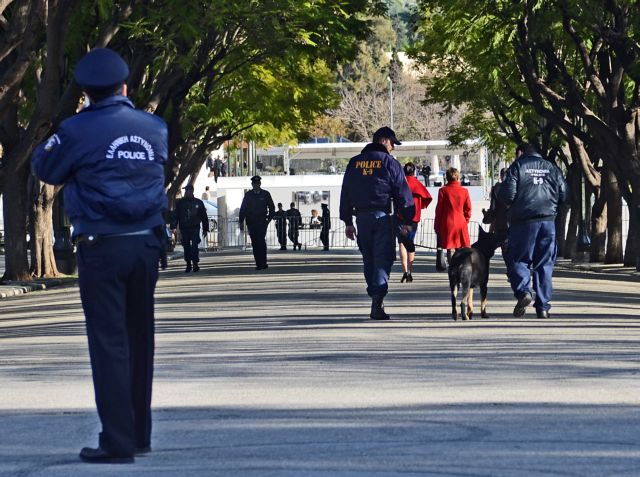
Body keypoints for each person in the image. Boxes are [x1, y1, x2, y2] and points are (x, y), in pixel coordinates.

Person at [31, 48, 168, 464]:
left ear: (86, 93)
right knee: (140, 339)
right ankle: (140, 434)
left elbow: (44, 167)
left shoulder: (77, 129)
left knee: (109, 343)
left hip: (101, 245)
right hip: (146, 243)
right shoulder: (155, 127)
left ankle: (117, 440)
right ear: (126, 86)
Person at [339, 126, 414, 320]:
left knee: (368, 259)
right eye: (392, 144)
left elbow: (345, 193)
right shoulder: (390, 163)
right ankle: (377, 300)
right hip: (383, 219)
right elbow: (402, 194)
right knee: (383, 259)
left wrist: (348, 221)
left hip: (361, 219)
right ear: (384, 141)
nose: (393, 149)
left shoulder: (354, 163)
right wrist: (407, 220)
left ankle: (374, 292)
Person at [499, 143, 568, 319]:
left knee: (518, 259)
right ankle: (543, 307)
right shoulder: (552, 167)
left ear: (521, 152)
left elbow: (507, 195)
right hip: (548, 222)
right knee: (545, 264)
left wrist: (512, 208)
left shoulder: (517, 167)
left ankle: (524, 292)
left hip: (523, 223)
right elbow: (564, 194)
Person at [398, 162, 433, 283]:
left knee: (401, 243)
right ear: (414, 172)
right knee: (410, 242)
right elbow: (427, 197)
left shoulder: (401, 183)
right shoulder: (417, 183)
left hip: (400, 217)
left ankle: (404, 271)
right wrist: (421, 205)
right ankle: (410, 272)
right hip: (413, 218)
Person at [434, 167, 472, 262]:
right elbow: (468, 209)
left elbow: (439, 210)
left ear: (447, 178)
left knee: (449, 248)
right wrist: (465, 220)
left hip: (447, 222)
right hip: (461, 223)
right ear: (458, 177)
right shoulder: (464, 191)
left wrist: (437, 225)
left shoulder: (443, 190)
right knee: (460, 248)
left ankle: (451, 266)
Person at [239, 175, 275, 270]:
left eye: (257, 183)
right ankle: (258, 263)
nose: (256, 185)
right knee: (255, 242)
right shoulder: (248, 195)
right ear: (252, 184)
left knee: (261, 241)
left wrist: (269, 219)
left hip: (262, 221)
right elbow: (243, 208)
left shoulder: (265, 194)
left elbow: (272, 207)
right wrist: (241, 221)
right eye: (254, 184)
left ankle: (263, 262)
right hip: (251, 222)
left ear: (260, 184)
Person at [171, 184, 209, 272]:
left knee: (195, 246)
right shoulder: (180, 203)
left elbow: (204, 216)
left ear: (191, 191)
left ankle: (195, 264)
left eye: (187, 190)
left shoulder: (198, 202)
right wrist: (174, 227)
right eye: (185, 191)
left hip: (195, 228)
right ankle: (188, 264)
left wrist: (205, 228)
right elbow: (175, 215)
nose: (186, 192)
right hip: (184, 228)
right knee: (186, 247)